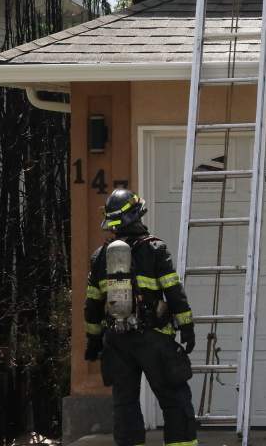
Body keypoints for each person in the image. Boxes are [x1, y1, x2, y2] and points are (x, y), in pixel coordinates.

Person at [84, 189, 198, 446]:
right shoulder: (155, 249)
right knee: (174, 400)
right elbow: (173, 291)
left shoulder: (100, 257)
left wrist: (93, 339)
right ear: (137, 215)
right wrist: (187, 326)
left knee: (125, 405)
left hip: (116, 342)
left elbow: (92, 303)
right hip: (153, 338)